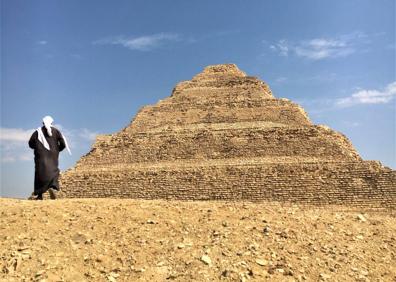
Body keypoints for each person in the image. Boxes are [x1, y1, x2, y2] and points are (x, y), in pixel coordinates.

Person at [28, 116, 71, 200]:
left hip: (40, 156)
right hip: (53, 155)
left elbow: (30, 143)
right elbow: (63, 143)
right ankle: (52, 186)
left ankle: (40, 195)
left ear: (43, 123)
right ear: (51, 123)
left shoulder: (37, 132)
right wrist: (57, 150)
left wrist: (37, 147)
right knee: (53, 171)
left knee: (40, 173)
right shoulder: (56, 131)